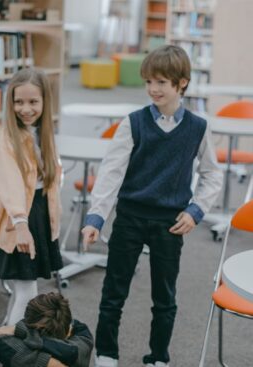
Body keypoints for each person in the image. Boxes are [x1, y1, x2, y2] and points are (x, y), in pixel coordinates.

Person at [81, 45, 223, 367]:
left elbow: (213, 175)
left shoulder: (198, 128)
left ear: (182, 82)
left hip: (169, 223)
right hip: (130, 217)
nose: (153, 89)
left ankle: (158, 357)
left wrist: (195, 210)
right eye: (149, 82)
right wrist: (96, 218)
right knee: (113, 292)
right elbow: (110, 173)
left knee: (165, 297)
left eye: (161, 82)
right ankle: (106, 354)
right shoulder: (133, 123)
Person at [0, 68, 63, 325]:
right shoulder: (7, 138)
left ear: (44, 102)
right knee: (28, 292)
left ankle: (6, 338)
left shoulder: (43, 134)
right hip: (18, 220)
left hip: (39, 215)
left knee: (24, 288)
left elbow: (49, 179)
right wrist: (21, 224)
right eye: (19, 102)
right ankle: (14, 348)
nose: (25, 108)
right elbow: (11, 185)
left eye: (33, 102)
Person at [0, 292, 93, 367]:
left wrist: (23, 332)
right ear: (68, 330)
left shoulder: (12, 348)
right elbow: (71, 349)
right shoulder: (83, 340)